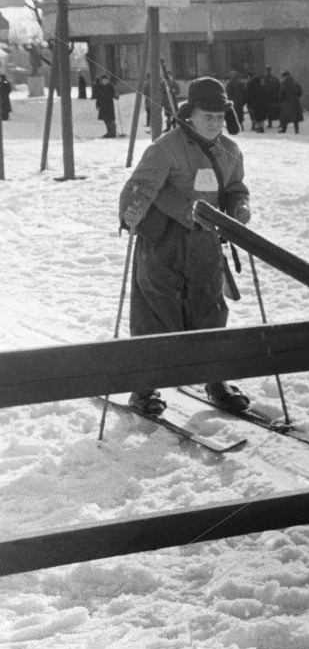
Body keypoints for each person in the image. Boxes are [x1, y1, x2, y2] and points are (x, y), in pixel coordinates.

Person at [118, 77, 252, 417]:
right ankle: (144, 387)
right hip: (164, 243)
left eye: (221, 116)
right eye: (209, 116)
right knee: (155, 311)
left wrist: (239, 207)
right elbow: (139, 186)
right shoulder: (165, 147)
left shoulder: (230, 150)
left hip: (206, 241)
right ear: (190, 113)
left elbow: (235, 187)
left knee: (210, 309)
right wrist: (132, 209)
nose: (216, 123)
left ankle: (215, 380)